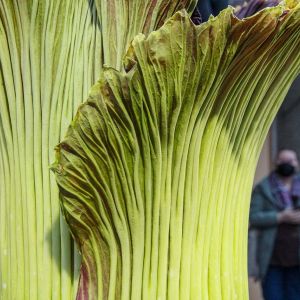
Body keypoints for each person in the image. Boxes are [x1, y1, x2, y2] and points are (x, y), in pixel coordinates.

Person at [250, 149, 300, 300]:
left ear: (296, 163)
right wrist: (280, 217)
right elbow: (253, 217)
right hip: (271, 261)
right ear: (275, 163)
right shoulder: (262, 188)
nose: (286, 164)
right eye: (283, 161)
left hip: (297, 262)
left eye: (290, 161)